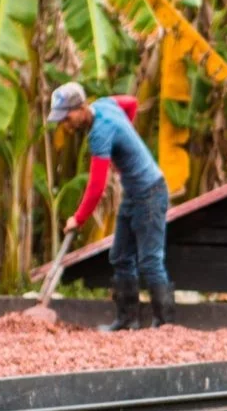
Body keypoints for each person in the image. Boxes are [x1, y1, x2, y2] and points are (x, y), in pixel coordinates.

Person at [47, 81, 174, 331]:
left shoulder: (99, 133)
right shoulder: (104, 105)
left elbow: (96, 187)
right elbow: (131, 103)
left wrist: (78, 218)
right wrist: (125, 138)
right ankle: (127, 320)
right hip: (134, 193)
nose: (66, 124)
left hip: (151, 193)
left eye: (67, 117)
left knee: (149, 260)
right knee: (120, 256)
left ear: (82, 108)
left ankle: (166, 325)